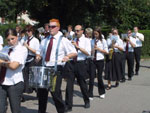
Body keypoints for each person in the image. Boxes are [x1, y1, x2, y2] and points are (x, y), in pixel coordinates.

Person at [36, 19, 77, 113]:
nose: (50, 28)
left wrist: (67, 56)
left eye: (52, 27)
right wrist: (38, 56)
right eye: (49, 26)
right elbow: (39, 52)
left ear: (58, 28)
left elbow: (74, 52)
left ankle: (61, 110)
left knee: (55, 93)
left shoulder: (63, 40)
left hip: (56, 69)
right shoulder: (45, 40)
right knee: (42, 93)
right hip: (45, 68)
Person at [0, 28, 28, 113]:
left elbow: (13, 66)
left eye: (12, 38)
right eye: (8, 40)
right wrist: (5, 63)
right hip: (2, 82)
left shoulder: (22, 49)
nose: (11, 41)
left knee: (15, 110)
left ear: (17, 36)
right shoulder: (5, 48)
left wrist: (2, 62)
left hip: (15, 83)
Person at [70, 25, 91, 109]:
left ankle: (86, 100)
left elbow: (88, 53)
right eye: (75, 31)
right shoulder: (73, 39)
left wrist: (78, 47)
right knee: (69, 85)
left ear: (82, 31)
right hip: (72, 63)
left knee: (82, 84)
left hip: (81, 63)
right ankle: (69, 104)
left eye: (78, 31)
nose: (76, 32)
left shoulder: (86, 40)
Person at [89, 27, 108, 100]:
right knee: (91, 77)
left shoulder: (103, 41)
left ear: (99, 33)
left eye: (96, 34)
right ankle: (90, 94)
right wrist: (92, 51)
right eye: (94, 34)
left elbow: (106, 51)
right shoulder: (92, 41)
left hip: (100, 60)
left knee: (99, 77)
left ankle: (102, 92)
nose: (95, 35)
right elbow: (89, 51)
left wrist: (99, 49)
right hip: (93, 60)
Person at [22, 25, 40, 94]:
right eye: (26, 31)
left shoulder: (35, 40)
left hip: (32, 58)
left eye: (29, 31)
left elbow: (37, 51)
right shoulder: (25, 39)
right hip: (25, 58)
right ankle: (27, 89)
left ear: (32, 31)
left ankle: (37, 90)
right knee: (25, 74)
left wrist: (28, 47)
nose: (27, 32)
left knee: (33, 76)